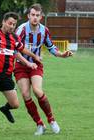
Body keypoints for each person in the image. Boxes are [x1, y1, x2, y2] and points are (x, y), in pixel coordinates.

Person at [14, 3, 73, 135]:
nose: (35, 17)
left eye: (37, 15)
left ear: (41, 17)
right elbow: (15, 50)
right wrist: (27, 63)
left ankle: (52, 120)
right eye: (33, 15)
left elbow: (51, 47)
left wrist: (62, 55)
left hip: (36, 64)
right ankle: (40, 124)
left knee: (37, 90)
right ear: (28, 16)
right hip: (21, 65)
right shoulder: (21, 30)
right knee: (25, 94)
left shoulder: (44, 30)